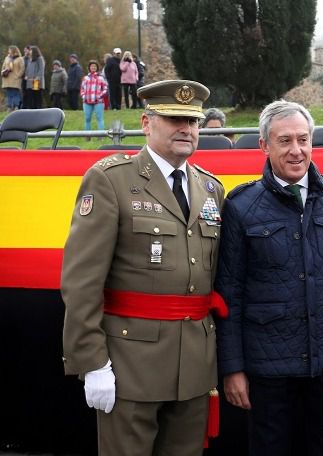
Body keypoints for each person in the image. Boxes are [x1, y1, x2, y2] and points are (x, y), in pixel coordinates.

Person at [61, 79, 225, 456]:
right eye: (174, 119)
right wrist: (92, 362)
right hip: (129, 366)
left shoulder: (210, 188)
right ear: (147, 122)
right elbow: (82, 282)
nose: (187, 129)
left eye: (194, 121)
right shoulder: (111, 180)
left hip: (195, 368)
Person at [215, 99, 323, 456]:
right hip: (267, 369)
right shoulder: (240, 205)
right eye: (284, 141)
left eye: (303, 139)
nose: (296, 150)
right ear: (264, 145)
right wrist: (232, 368)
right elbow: (230, 293)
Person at [80, 60, 108, 138]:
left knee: (100, 118)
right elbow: (82, 89)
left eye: (95, 66)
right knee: (87, 118)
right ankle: (87, 136)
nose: (93, 67)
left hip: (98, 102)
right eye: (92, 66)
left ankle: (101, 137)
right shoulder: (85, 78)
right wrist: (83, 96)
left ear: (97, 68)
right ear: (89, 68)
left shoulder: (101, 78)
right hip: (87, 102)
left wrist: (100, 96)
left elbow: (105, 88)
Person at [1, 45, 25, 111]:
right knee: (9, 93)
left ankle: (16, 106)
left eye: (10, 50)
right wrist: (3, 72)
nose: (8, 51)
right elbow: (3, 67)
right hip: (7, 79)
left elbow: (22, 68)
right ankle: (9, 106)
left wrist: (18, 75)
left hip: (15, 79)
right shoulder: (7, 58)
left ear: (14, 50)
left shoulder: (20, 59)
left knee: (15, 93)